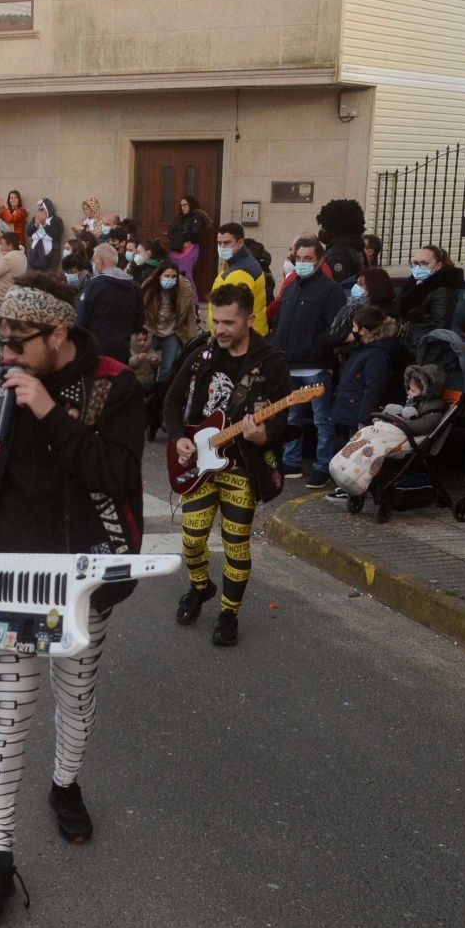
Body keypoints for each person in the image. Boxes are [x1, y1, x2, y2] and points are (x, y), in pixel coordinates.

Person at [0, 271, 145, 926]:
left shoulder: (113, 384)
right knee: (10, 710)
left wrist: (50, 412)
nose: (5, 357)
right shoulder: (3, 380)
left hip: (83, 570)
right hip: (9, 568)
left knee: (74, 693)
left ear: (58, 333)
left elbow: (115, 475)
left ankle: (65, 784)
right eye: (1, 342)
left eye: (18, 344)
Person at [163, 284, 292, 647]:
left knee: (236, 545)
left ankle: (228, 613)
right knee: (191, 539)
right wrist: (178, 439)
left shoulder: (272, 363)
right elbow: (171, 401)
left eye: (229, 322)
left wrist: (263, 437)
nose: (220, 329)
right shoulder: (203, 354)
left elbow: (284, 416)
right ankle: (200, 587)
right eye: (215, 320)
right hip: (199, 464)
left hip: (240, 469)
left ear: (250, 319)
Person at [268, 236, 347, 482]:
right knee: (292, 417)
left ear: (319, 260)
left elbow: (337, 328)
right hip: (289, 365)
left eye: (308, 259)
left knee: (322, 419)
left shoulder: (330, 290)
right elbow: (280, 322)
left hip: (315, 366)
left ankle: (323, 465)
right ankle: (291, 461)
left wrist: (316, 348)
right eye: (298, 258)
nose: (302, 263)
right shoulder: (291, 287)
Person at [324, 306, 409, 483]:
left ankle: (352, 486)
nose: (352, 330)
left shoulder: (376, 354)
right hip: (350, 407)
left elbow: (373, 389)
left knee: (355, 455)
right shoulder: (366, 348)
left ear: (364, 330)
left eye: (355, 327)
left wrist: (363, 419)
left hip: (357, 411)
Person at [75, 242, 143, 365]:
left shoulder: (94, 285)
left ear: (101, 261)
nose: (93, 263)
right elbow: (139, 319)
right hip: (122, 349)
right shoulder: (134, 286)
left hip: (97, 349)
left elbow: (82, 318)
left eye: (94, 260)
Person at [393, 244, 465, 352]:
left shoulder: (442, 292)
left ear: (438, 265)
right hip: (408, 346)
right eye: (416, 263)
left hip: (422, 349)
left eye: (424, 263)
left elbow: (439, 329)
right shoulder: (414, 285)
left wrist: (422, 348)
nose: (418, 267)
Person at [140, 258, 199, 385]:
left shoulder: (184, 291)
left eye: (173, 277)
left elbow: (189, 316)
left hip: (172, 332)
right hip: (151, 330)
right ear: (159, 276)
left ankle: (161, 396)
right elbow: (140, 311)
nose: (170, 279)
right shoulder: (148, 288)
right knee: (146, 366)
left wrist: (192, 340)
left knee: (167, 368)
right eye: (167, 276)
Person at [208, 223, 268, 337]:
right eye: (219, 243)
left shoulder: (240, 272)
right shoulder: (237, 263)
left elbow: (230, 313)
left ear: (240, 243)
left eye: (226, 243)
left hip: (236, 338)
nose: (221, 247)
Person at [315, 199, 367, 284]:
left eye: (323, 226)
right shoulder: (354, 246)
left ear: (333, 228)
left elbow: (338, 284)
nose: (321, 229)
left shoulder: (339, 253)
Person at [166, 195, 210, 279]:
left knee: (185, 274)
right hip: (176, 248)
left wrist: (182, 237)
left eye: (185, 204)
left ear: (191, 204)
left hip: (189, 248)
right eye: (181, 205)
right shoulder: (179, 217)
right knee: (172, 272)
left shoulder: (197, 217)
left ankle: (188, 292)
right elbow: (170, 232)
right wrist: (180, 239)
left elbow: (195, 233)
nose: (183, 207)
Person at [24, 198, 63, 273]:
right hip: (35, 255)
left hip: (50, 257)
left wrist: (44, 224)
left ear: (48, 209)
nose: (40, 211)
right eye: (39, 209)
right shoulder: (35, 219)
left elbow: (55, 235)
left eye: (42, 209)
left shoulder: (56, 220)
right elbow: (28, 233)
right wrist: (35, 225)